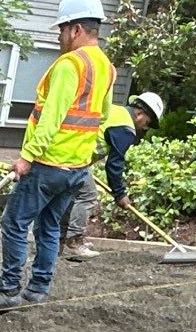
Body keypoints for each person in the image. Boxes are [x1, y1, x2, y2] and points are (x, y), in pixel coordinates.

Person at [0, 0, 116, 311]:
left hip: (48, 164)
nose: (60, 37)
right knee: (49, 226)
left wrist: (27, 157)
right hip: (77, 167)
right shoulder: (107, 68)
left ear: (75, 30)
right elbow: (101, 115)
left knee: (14, 222)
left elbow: (52, 116)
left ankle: (7, 291)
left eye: (61, 30)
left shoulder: (70, 65)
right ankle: (37, 290)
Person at [62, 90, 165, 260]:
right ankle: (74, 240)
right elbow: (114, 164)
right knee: (88, 195)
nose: (145, 127)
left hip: (71, 152)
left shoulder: (116, 112)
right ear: (139, 114)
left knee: (71, 196)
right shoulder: (126, 128)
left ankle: (62, 238)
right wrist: (120, 194)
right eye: (147, 122)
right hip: (75, 158)